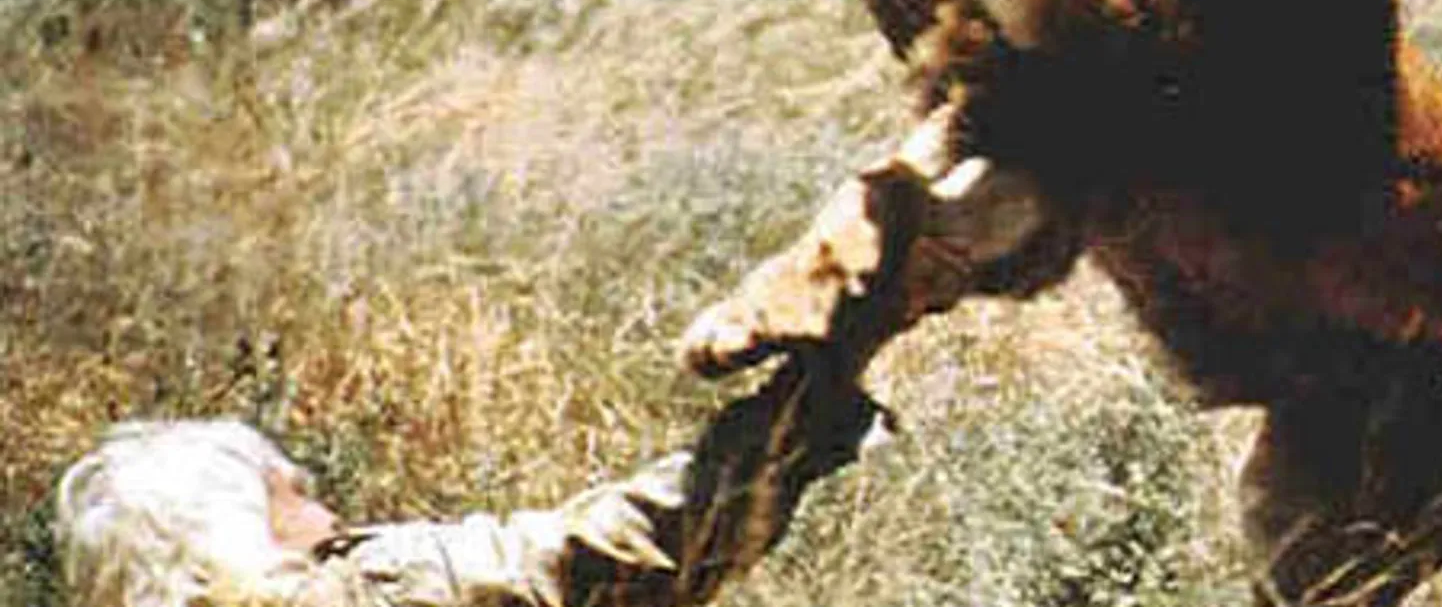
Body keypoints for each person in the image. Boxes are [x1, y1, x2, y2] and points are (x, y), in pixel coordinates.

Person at [57, 355, 890, 607]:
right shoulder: (359, 592)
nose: (326, 508)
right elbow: (593, 566)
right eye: (293, 492)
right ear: (235, 525)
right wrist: (782, 432)